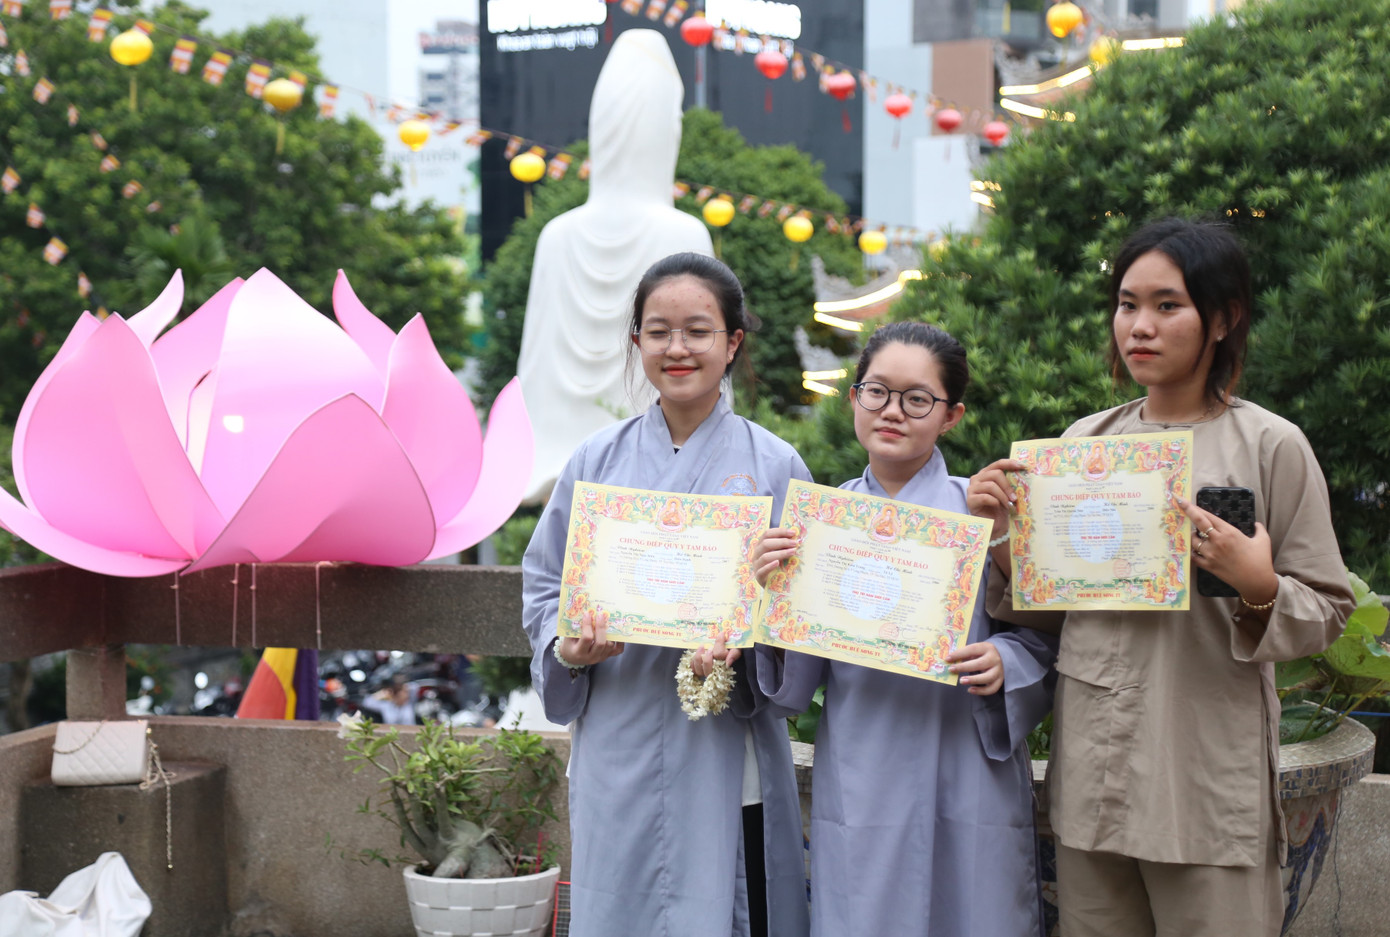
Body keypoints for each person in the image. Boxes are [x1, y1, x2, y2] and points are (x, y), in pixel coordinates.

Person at [968, 218, 1354, 937]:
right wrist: (999, 535)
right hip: (1097, 773)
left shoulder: (1270, 445)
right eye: (1127, 304)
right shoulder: (1084, 446)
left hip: (1204, 779)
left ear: (1223, 319)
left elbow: (1329, 607)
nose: (1139, 326)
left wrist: (1257, 583)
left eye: (1167, 305)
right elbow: (1051, 610)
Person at [521, 252, 811, 937]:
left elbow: (801, 618)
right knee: (618, 906)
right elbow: (545, 585)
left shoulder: (775, 465)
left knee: (726, 906)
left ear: (732, 342)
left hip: (723, 745)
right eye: (659, 331)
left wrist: (754, 636)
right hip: (617, 733)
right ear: (637, 342)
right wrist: (566, 647)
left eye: (698, 330)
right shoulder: (595, 461)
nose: (678, 348)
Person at [744, 321, 1056, 936]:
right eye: (877, 391)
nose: (892, 411)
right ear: (853, 397)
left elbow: (1042, 637)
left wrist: (1006, 660)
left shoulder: (982, 511)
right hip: (862, 763)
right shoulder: (820, 524)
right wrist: (768, 599)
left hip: (964, 760)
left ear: (951, 415)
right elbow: (792, 681)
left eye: (917, 399)